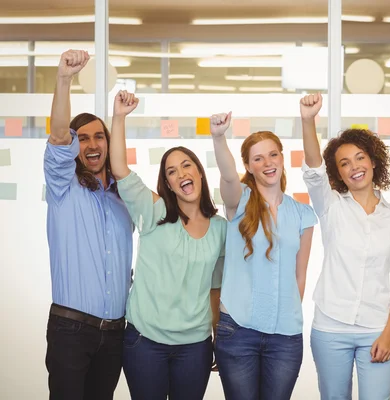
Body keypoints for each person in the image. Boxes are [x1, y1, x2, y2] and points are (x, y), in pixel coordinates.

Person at [108, 91, 226, 400]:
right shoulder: (155, 211)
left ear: (199, 172)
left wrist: (216, 336)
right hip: (145, 341)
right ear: (169, 184)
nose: (181, 174)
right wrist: (119, 116)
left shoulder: (220, 229)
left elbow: (215, 289)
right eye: (171, 172)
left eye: (186, 166)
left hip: (195, 346)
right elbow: (119, 168)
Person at [299, 93, 390, 399]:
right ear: (338, 174)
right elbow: (312, 169)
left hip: (377, 329)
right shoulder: (330, 207)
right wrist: (308, 120)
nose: (354, 167)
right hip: (331, 328)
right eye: (344, 163)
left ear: (374, 162)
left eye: (360, 158)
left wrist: (389, 333)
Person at [44, 50, 133, 400]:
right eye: (83, 138)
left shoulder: (122, 198)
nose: (92, 144)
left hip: (114, 334)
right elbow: (58, 138)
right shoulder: (63, 187)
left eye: (99, 136)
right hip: (71, 330)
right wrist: (64, 79)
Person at [209, 112, 317, 400]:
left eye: (273, 155)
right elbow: (228, 175)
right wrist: (219, 137)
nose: (268, 163)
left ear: (282, 158)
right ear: (248, 165)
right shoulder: (239, 201)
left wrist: (291, 314)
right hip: (238, 330)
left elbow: (300, 274)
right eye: (258, 158)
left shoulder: (303, 213)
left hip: (285, 335)